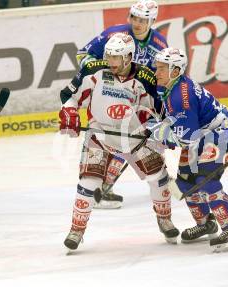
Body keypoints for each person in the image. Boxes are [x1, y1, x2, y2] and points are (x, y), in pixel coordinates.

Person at [60, 33, 179, 251]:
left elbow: (158, 111)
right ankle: (76, 230)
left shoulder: (146, 77)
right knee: (89, 182)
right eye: (109, 56)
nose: (112, 62)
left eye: (117, 57)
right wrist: (69, 112)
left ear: (129, 57)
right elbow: (69, 95)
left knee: (158, 178)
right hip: (99, 134)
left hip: (134, 136)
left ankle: (164, 219)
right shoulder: (93, 69)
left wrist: (159, 131)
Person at [152, 47, 228, 253]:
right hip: (204, 134)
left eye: (162, 68)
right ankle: (206, 223)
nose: (157, 72)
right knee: (184, 181)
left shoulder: (181, 96)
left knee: (206, 180)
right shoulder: (170, 87)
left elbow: (187, 137)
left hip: (221, 134)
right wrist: (164, 129)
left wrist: (161, 135)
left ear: (175, 70)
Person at [77, 0, 167, 209]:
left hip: (138, 96)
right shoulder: (114, 34)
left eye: (143, 19)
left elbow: (161, 75)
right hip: (111, 93)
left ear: (152, 20)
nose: (137, 22)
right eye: (134, 17)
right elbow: (84, 54)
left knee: (148, 141)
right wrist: (97, 70)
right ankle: (103, 185)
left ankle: (155, 180)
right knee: (118, 140)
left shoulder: (160, 44)